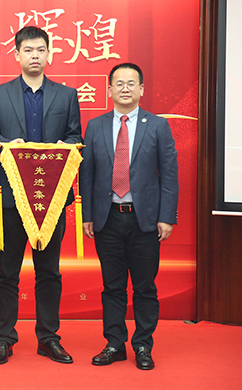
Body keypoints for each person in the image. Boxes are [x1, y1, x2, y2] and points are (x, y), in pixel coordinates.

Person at [0, 26, 82, 365]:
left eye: (40, 50)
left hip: (51, 197)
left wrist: (64, 146)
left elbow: (75, 137)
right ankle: (4, 338)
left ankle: (48, 338)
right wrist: (6, 145)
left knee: (49, 271)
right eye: (28, 50)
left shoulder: (66, 95)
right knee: (6, 271)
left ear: (49, 54)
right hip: (11, 196)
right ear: (17, 55)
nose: (35, 55)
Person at [81, 63, 178, 371]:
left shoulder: (158, 126)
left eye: (131, 83)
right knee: (112, 286)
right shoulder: (95, 126)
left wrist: (167, 217)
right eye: (119, 83)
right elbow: (87, 173)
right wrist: (87, 215)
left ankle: (143, 345)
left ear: (141, 89)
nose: (125, 88)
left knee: (145, 287)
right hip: (107, 217)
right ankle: (114, 343)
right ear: (109, 89)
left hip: (144, 220)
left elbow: (169, 175)